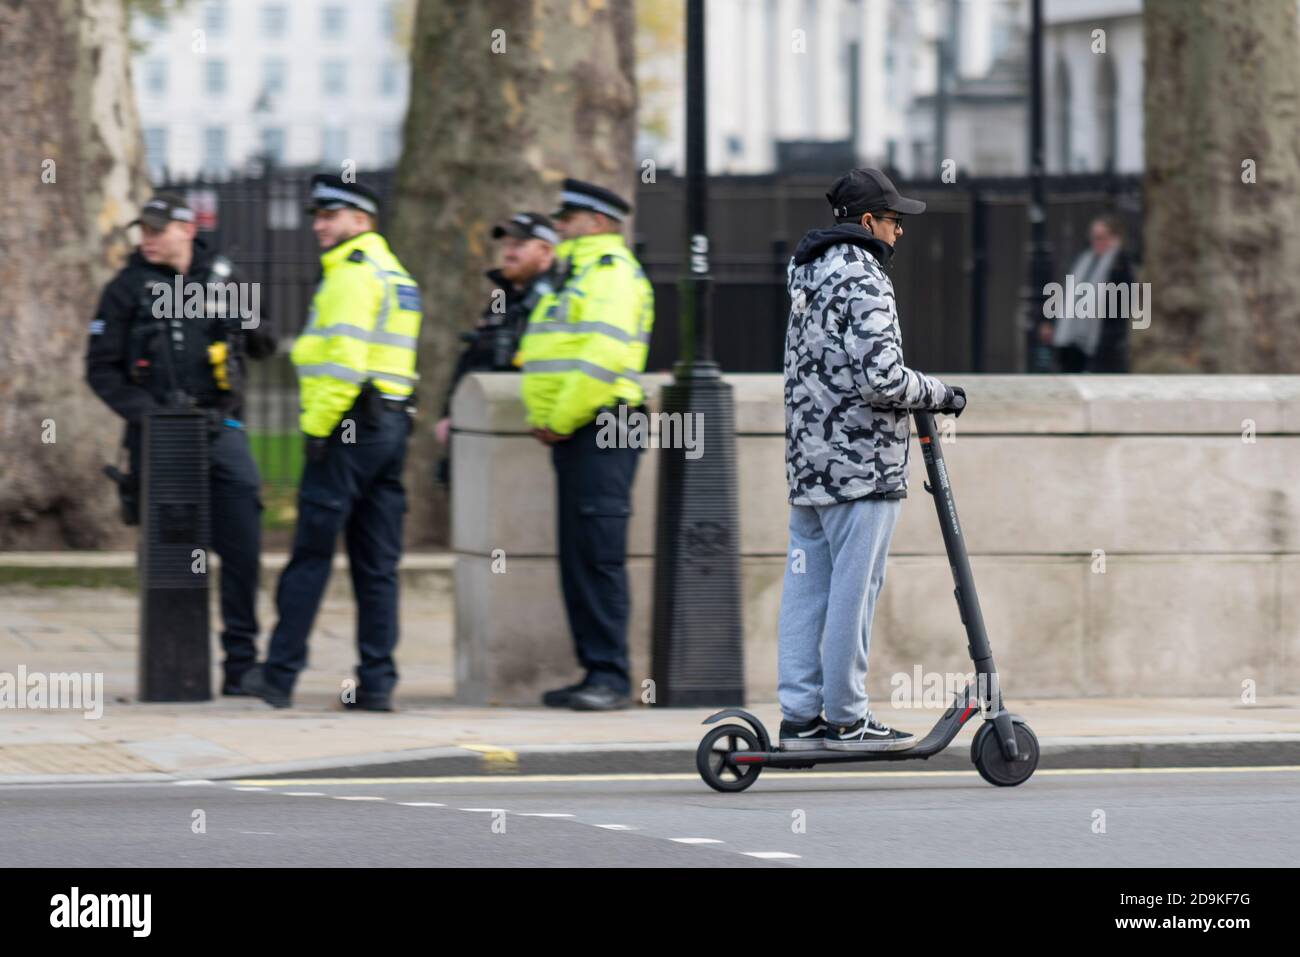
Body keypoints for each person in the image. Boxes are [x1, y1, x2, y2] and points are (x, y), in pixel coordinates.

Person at [778, 168, 966, 752]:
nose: (899, 232)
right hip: (861, 467)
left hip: (809, 465)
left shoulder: (807, 274)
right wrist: (942, 393)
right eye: (893, 221)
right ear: (867, 223)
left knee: (808, 590)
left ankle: (801, 716)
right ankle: (847, 719)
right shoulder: (864, 278)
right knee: (852, 594)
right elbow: (882, 380)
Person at [241, 174, 421, 711]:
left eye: (330, 215)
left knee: (311, 555)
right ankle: (378, 681)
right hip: (389, 427)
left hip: (349, 428)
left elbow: (342, 364)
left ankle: (277, 676)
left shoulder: (352, 273)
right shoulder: (394, 272)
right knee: (377, 563)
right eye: (316, 216)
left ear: (360, 220)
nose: (319, 225)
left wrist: (318, 431)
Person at [85, 192, 276, 696]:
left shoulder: (222, 279)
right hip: (160, 439)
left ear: (186, 230)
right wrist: (150, 416)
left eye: (157, 229)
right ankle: (171, 668)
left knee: (242, 547)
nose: (146, 238)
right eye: (142, 231)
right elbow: (100, 368)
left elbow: (264, 344)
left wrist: (247, 315)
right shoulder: (125, 289)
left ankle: (242, 664)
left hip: (221, 430)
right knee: (170, 553)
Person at [518, 178, 654, 711]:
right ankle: (593, 669)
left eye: (568, 218)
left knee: (598, 556)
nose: (559, 225)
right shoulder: (572, 274)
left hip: (602, 423)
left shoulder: (611, 274)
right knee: (578, 555)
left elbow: (600, 359)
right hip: (578, 427)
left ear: (597, 223)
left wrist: (555, 417)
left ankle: (611, 677)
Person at [434, 212, 557, 482]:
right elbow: (475, 354)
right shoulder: (503, 296)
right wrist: (449, 412)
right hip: (481, 430)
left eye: (519, 246)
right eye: (507, 245)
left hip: (522, 435)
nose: (509, 253)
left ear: (546, 252)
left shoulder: (554, 299)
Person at [1046, 214, 1135, 373]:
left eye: (1101, 237)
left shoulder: (1119, 264)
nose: (1096, 242)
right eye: (1093, 237)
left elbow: (1120, 306)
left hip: (1102, 344)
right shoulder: (1084, 261)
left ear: (1114, 238)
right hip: (1073, 340)